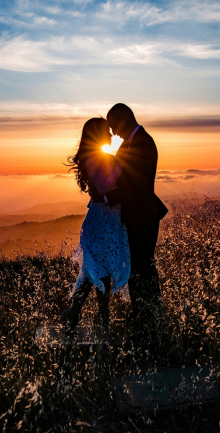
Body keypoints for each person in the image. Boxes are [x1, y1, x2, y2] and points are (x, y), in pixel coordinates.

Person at [60, 117, 131, 335]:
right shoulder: (94, 158)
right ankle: (101, 323)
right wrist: (120, 161)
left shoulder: (99, 157)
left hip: (105, 221)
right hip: (102, 223)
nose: (111, 135)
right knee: (100, 273)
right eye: (107, 132)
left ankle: (76, 317)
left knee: (93, 273)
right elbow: (103, 187)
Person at [105, 103, 168, 332]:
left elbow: (136, 184)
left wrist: (108, 197)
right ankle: (145, 314)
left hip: (142, 216)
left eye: (114, 126)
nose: (113, 133)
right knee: (138, 266)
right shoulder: (130, 143)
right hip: (136, 216)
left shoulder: (143, 143)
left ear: (124, 119)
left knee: (143, 266)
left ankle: (148, 317)